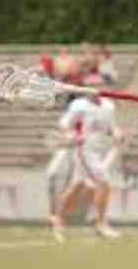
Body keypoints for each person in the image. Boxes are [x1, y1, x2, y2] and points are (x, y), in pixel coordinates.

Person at [48, 91, 123, 242]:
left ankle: (57, 219)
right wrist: (71, 136)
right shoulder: (79, 105)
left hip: (100, 150)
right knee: (103, 181)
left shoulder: (109, 106)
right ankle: (101, 224)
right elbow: (64, 125)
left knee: (77, 186)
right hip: (84, 149)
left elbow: (109, 128)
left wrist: (117, 133)